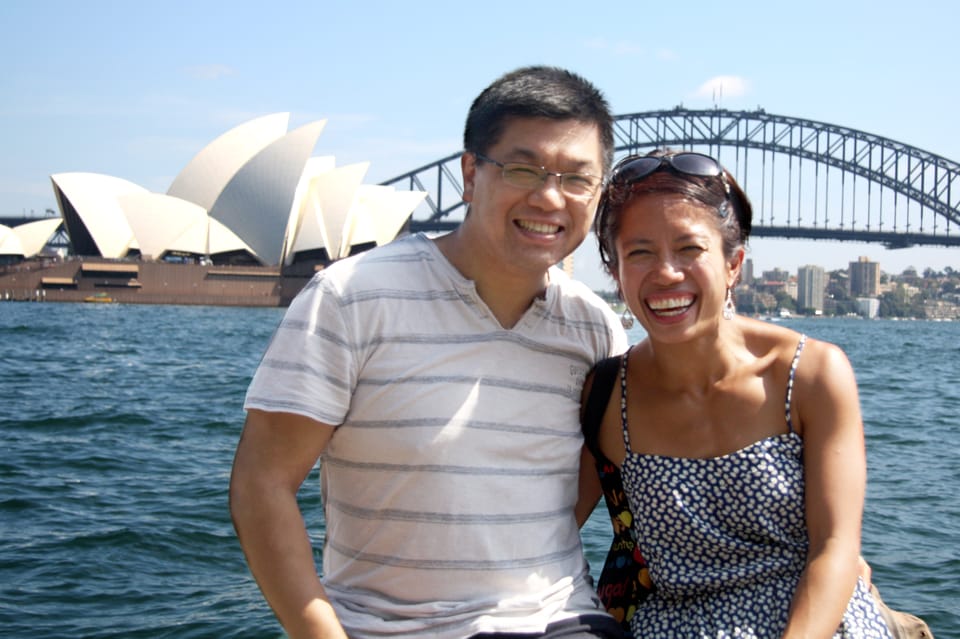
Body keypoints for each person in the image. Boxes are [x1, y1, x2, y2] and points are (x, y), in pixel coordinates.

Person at [229, 65, 629, 639]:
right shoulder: (351, 298)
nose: (549, 197)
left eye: (576, 179)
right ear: (470, 174)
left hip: (562, 622)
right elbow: (260, 485)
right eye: (522, 169)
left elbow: (587, 478)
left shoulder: (594, 328)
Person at [580, 148, 893, 637]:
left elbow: (835, 548)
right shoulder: (605, 395)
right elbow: (548, 532)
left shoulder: (809, 374)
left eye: (690, 249)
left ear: (734, 264)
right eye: (639, 253)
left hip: (815, 622)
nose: (666, 273)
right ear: (616, 273)